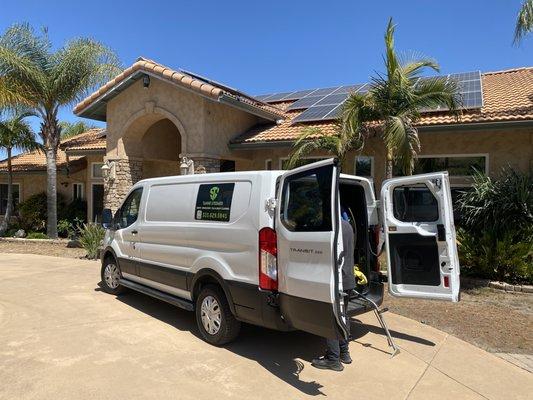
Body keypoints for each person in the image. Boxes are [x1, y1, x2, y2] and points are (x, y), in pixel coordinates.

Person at [311, 217, 356, 372]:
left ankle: (333, 359)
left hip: (336, 281)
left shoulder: (329, 227)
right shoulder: (347, 226)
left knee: (331, 318)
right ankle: (344, 353)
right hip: (348, 278)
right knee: (343, 316)